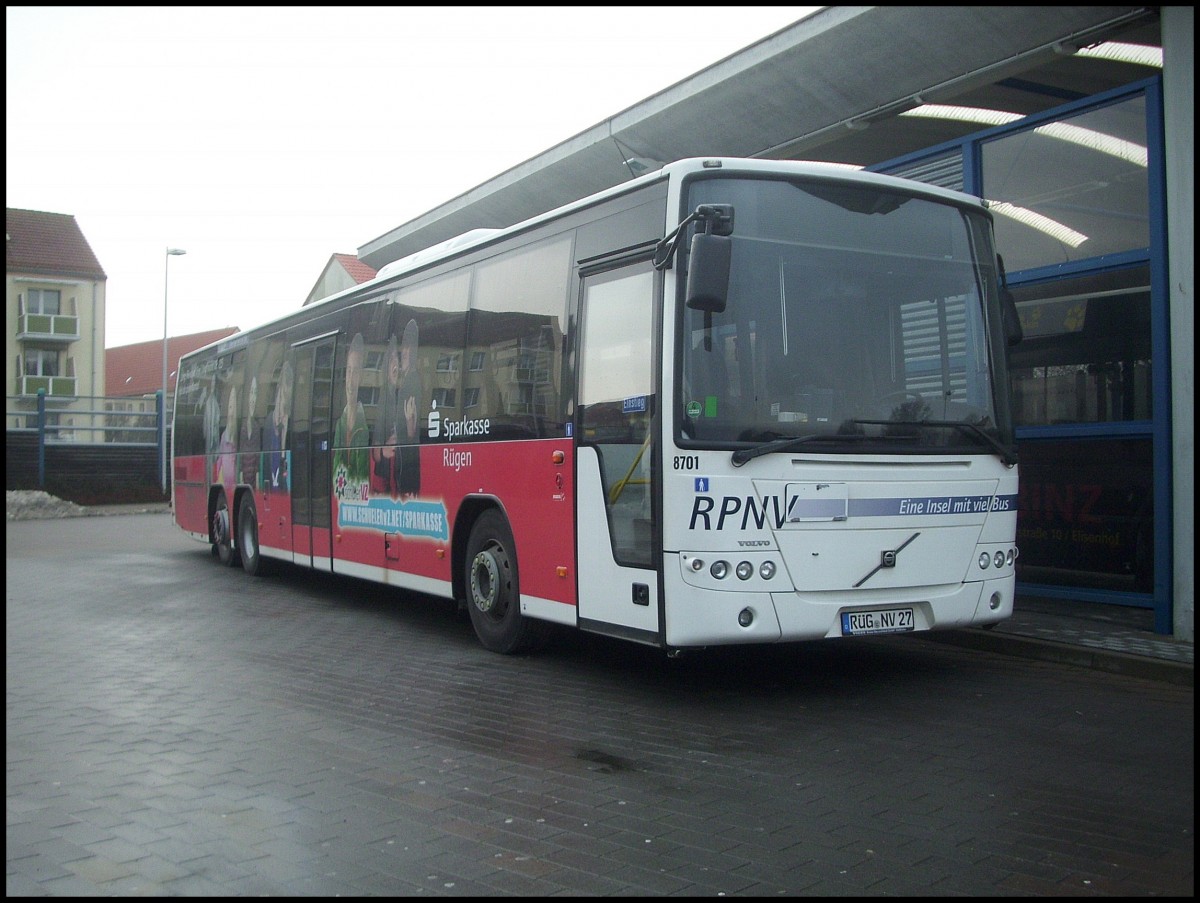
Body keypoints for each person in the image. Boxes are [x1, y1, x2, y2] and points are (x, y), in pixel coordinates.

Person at [371, 319, 422, 498]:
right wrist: (383, 451)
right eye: (392, 358)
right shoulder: (384, 398)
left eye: (397, 357)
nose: (396, 362)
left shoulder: (407, 388)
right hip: (386, 481)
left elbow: (411, 436)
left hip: (401, 477)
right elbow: (375, 449)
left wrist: (410, 423)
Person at [333, 333, 370, 491]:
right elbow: (335, 472)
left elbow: (362, 478)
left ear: (361, 378)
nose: (351, 379)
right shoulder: (339, 424)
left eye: (356, 372)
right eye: (348, 371)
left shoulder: (365, 426)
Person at [263, 360, 293, 491]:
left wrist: (284, 435)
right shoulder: (268, 424)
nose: (283, 406)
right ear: (278, 389)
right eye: (282, 396)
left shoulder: (287, 427)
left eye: (286, 402)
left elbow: (284, 474)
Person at [239, 375, 262, 488]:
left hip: (253, 476)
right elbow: (240, 449)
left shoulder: (257, 426)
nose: (253, 398)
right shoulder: (242, 425)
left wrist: (257, 474)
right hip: (243, 475)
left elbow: (258, 453)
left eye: (255, 393)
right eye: (251, 392)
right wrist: (240, 473)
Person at [214, 384, 238, 484]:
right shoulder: (224, 435)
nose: (231, 412)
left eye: (234, 407)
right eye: (230, 407)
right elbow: (220, 458)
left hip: (235, 480)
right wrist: (218, 475)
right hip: (224, 480)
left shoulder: (238, 432)